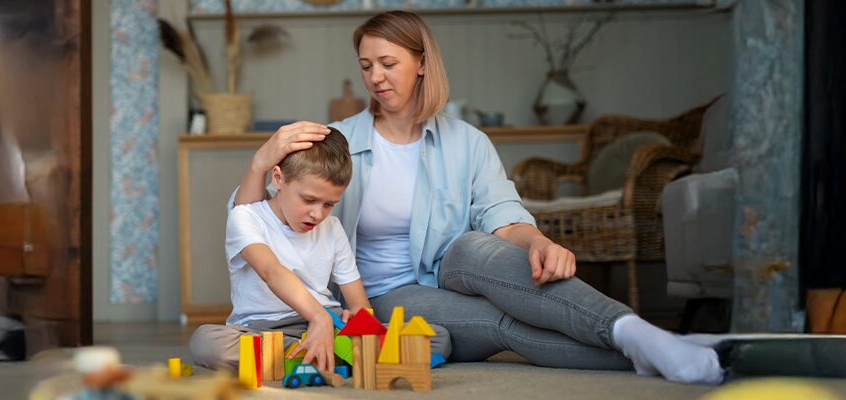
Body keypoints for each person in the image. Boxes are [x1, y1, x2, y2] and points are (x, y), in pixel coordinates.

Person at [230, 10, 723, 384]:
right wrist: (258, 162)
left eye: (388, 63)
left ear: (422, 64)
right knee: (499, 322)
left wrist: (537, 243)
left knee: (477, 245)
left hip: (452, 267)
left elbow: (501, 214)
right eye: (366, 66)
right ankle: (652, 348)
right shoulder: (336, 140)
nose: (376, 77)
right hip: (379, 297)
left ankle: (636, 333)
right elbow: (255, 215)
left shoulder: (466, 141)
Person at [189, 130, 451, 374]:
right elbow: (271, 271)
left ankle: (312, 356)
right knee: (207, 343)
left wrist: (357, 320)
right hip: (265, 329)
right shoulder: (245, 217)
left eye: (329, 204)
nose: (318, 214)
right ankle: (325, 355)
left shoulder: (332, 228)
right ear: (278, 179)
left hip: (330, 322)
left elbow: (359, 304)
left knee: (437, 338)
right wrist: (317, 318)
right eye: (309, 200)